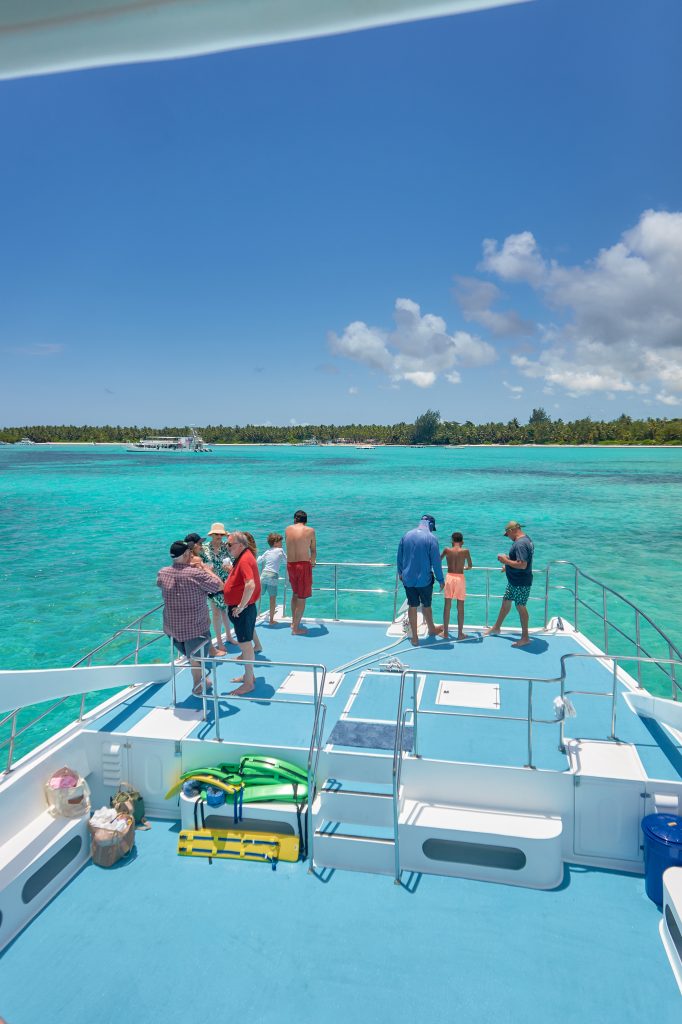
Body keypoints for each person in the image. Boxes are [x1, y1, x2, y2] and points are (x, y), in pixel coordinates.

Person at [157, 540, 223, 696]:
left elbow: (160, 584)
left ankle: (202, 681)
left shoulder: (163, 572)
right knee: (197, 659)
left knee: (192, 658)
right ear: (187, 554)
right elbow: (220, 585)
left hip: (172, 628)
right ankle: (198, 687)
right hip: (195, 628)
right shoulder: (196, 574)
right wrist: (205, 568)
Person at [223, 531, 262, 695]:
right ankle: (249, 676)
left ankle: (248, 683)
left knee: (246, 646)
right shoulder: (243, 556)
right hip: (242, 609)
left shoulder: (245, 559)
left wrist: (240, 606)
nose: (227, 547)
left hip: (243, 611)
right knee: (245, 645)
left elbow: (250, 584)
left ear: (240, 545)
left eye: (229, 545)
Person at [397, 514, 444, 646]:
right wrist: (441, 579)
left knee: (412, 606)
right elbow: (436, 562)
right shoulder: (431, 538)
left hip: (408, 579)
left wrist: (400, 572)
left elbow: (399, 556)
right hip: (424, 580)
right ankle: (432, 629)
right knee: (427, 605)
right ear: (430, 525)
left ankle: (415, 637)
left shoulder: (406, 535)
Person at [486, 520, 535, 648]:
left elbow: (522, 564)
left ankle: (525, 638)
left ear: (512, 531)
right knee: (506, 601)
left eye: (507, 534)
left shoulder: (520, 544)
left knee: (520, 606)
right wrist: (508, 564)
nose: (508, 537)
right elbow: (520, 559)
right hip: (514, 581)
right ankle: (497, 627)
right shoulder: (526, 539)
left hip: (520, 582)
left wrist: (506, 561)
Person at [197, 523, 237, 653]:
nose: (219, 536)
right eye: (216, 534)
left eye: (221, 534)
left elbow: (237, 554)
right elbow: (198, 563)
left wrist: (230, 536)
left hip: (226, 583)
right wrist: (205, 569)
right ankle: (219, 641)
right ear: (211, 535)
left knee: (226, 611)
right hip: (212, 584)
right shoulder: (204, 548)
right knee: (216, 613)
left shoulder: (227, 547)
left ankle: (229, 636)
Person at [285, 510, 316, 635]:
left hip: (290, 565)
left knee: (295, 594)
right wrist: (312, 561)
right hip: (302, 565)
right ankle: (295, 629)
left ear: (295, 519)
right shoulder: (310, 530)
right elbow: (313, 550)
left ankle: (293, 622)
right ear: (306, 521)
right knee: (302, 598)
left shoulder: (287, 529)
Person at [440, 531, 473, 640]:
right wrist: (466, 568)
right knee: (460, 607)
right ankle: (460, 634)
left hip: (449, 577)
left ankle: (445, 633)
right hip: (460, 578)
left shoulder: (447, 550)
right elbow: (470, 565)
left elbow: (438, 560)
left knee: (447, 606)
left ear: (452, 541)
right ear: (462, 541)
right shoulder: (465, 551)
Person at [257, 532, 287, 625]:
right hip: (273, 575)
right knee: (272, 598)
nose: (282, 543)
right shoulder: (280, 550)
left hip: (264, 574)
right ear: (275, 543)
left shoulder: (267, 551)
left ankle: (253, 614)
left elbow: (259, 561)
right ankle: (271, 620)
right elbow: (286, 561)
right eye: (280, 542)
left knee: (258, 595)